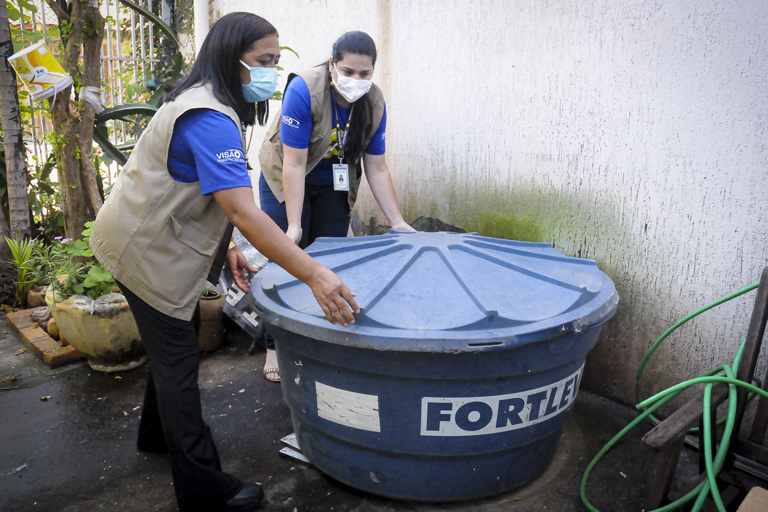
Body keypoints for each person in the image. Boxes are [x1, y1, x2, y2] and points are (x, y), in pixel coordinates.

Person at [89, 13, 359, 512]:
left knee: (175, 347)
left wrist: (227, 247)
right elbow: (241, 207)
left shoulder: (208, 101)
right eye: (263, 61)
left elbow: (209, 193)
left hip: (143, 239)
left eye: (276, 61)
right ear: (230, 58)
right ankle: (203, 490)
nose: (271, 73)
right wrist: (316, 273)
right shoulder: (209, 117)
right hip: (146, 253)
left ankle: (156, 435)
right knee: (178, 363)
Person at [258, 30, 415, 382]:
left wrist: (398, 221)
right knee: (286, 258)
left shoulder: (373, 102)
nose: (356, 80)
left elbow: (376, 166)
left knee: (330, 258)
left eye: (364, 73)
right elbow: (294, 165)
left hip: (333, 178)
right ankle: (272, 344)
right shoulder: (305, 90)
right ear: (332, 65)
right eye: (348, 71)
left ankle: (317, 336)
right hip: (285, 174)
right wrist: (294, 225)